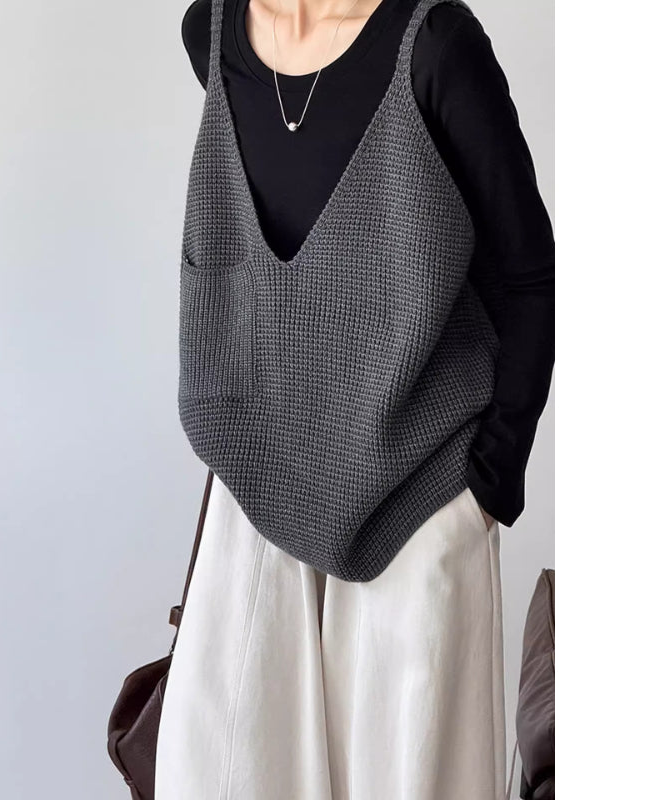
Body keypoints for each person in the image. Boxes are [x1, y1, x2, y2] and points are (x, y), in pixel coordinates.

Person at [155, 0, 554, 797]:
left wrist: (488, 480)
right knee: (230, 774)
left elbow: (528, 271)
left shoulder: (435, 45)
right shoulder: (212, 32)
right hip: (256, 495)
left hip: (418, 495)